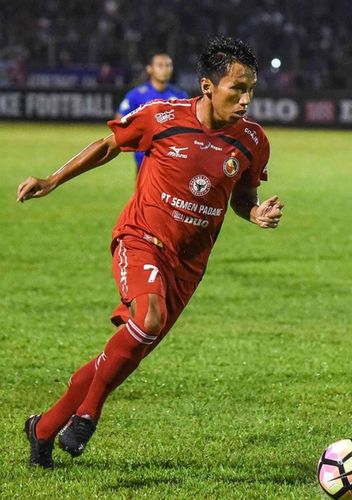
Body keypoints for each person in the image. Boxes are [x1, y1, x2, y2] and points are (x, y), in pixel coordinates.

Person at [19, 36, 283, 469]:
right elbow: (108, 146)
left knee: (132, 348)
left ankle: (43, 429)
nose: (246, 99)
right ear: (206, 86)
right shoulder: (162, 116)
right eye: (237, 88)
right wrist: (51, 180)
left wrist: (255, 213)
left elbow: (243, 195)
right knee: (148, 320)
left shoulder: (252, 140)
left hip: (189, 264)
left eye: (251, 88)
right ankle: (88, 414)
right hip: (141, 239)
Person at [115, 53, 188, 172]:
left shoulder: (180, 95)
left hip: (172, 158)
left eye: (168, 65)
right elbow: (120, 119)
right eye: (160, 65)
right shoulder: (137, 95)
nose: (165, 69)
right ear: (150, 69)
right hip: (144, 159)